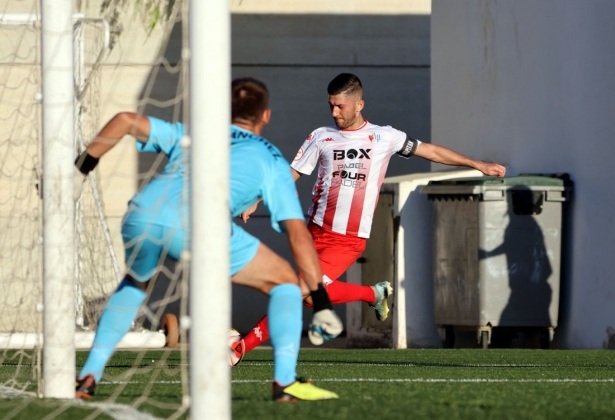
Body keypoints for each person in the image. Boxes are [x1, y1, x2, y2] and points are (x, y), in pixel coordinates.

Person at [75, 77, 343, 402]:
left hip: (143, 214)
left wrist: (80, 170)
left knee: (135, 284)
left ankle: (88, 376)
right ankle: (284, 383)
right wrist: (321, 300)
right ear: (266, 116)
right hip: (200, 225)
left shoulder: (194, 133)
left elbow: (124, 121)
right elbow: (298, 232)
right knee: (285, 282)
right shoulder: (269, 157)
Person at [234, 72, 506, 359]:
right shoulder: (321, 136)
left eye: (341, 106)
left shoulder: (384, 137)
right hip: (313, 230)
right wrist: (257, 199)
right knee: (312, 298)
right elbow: (292, 173)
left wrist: (477, 164)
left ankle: (240, 348)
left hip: (347, 239)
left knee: (295, 290)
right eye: (331, 106)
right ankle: (373, 294)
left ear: (359, 104)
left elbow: (431, 151)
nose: (335, 112)